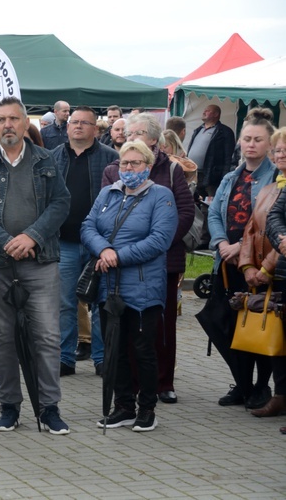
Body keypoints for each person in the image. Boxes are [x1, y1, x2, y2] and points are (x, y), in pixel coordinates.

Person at [0, 96, 71, 435]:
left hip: (39, 260)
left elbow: (60, 202)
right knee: (2, 338)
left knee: (48, 336)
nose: (7, 125)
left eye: (13, 119)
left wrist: (32, 237)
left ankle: (49, 407)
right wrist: (6, 242)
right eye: (0, 120)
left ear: (26, 124)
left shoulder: (46, 160)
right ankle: (9, 406)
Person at [81, 140, 178, 432]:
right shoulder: (107, 194)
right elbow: (87, 226)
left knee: (142, 348)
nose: (129, 169)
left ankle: (147, 408)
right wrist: (104, 250)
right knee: (115, 349)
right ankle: (123, 406)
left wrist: (117, 256)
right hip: (109, 286)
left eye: (135, 163)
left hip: (143, 288)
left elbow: (159, 240)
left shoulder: (162, 196)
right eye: (124, 163)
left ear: (148, 166)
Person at [103, 113, 195, 404]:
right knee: (127, 326)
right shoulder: (114, 169)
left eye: (140, 132)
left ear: (155, 139)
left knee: (160, 326)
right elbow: (103, 215)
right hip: (123, 264)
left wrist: (159, 242)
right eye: (129, 132)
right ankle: (128, 385)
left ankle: (162, 382)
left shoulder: (171, 169)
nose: (132, 137)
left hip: (163, 261)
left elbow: (185, 211)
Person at [208, 108, 276, 410]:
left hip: (258, 265)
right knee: (231, 324)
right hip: (227, 265)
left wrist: (240, 247)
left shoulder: (276, 177)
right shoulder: (230, 177)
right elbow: (213, 213)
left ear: (269, 144)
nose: (251, 144)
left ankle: (262, 387)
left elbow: (267, 222)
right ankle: (242, 383)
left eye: (257, 140)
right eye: (246, 138)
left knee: (260, 324)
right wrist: (222, 242)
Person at [52, 106, 119, 377]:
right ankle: (65, 358)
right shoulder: (52, 157)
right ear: (67, 127)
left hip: (99, 244)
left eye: (85, 123)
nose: (78, 126)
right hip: (64, 241)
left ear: (95, 128)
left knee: (100, 303)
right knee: (65, 303)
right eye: (74, 122)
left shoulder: (111, 159)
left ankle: (102, 358)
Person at [246, 127, 286, 421]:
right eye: (278, 150)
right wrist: (282, 239)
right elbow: (271, 219)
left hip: (273, 264)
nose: (280, 154)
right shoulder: (276, 187)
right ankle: (281, 395)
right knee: (281, 338)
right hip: (281, 269)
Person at [187, 104, 236, 198]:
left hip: (212, 176)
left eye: (207, 110)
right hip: (194, 174)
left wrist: (225, 177)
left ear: (216, 114)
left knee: (210, 202)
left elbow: (228, 157)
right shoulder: (198, 130)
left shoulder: (224, 132)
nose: (204, 112)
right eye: (204, 110)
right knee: (194, 201)